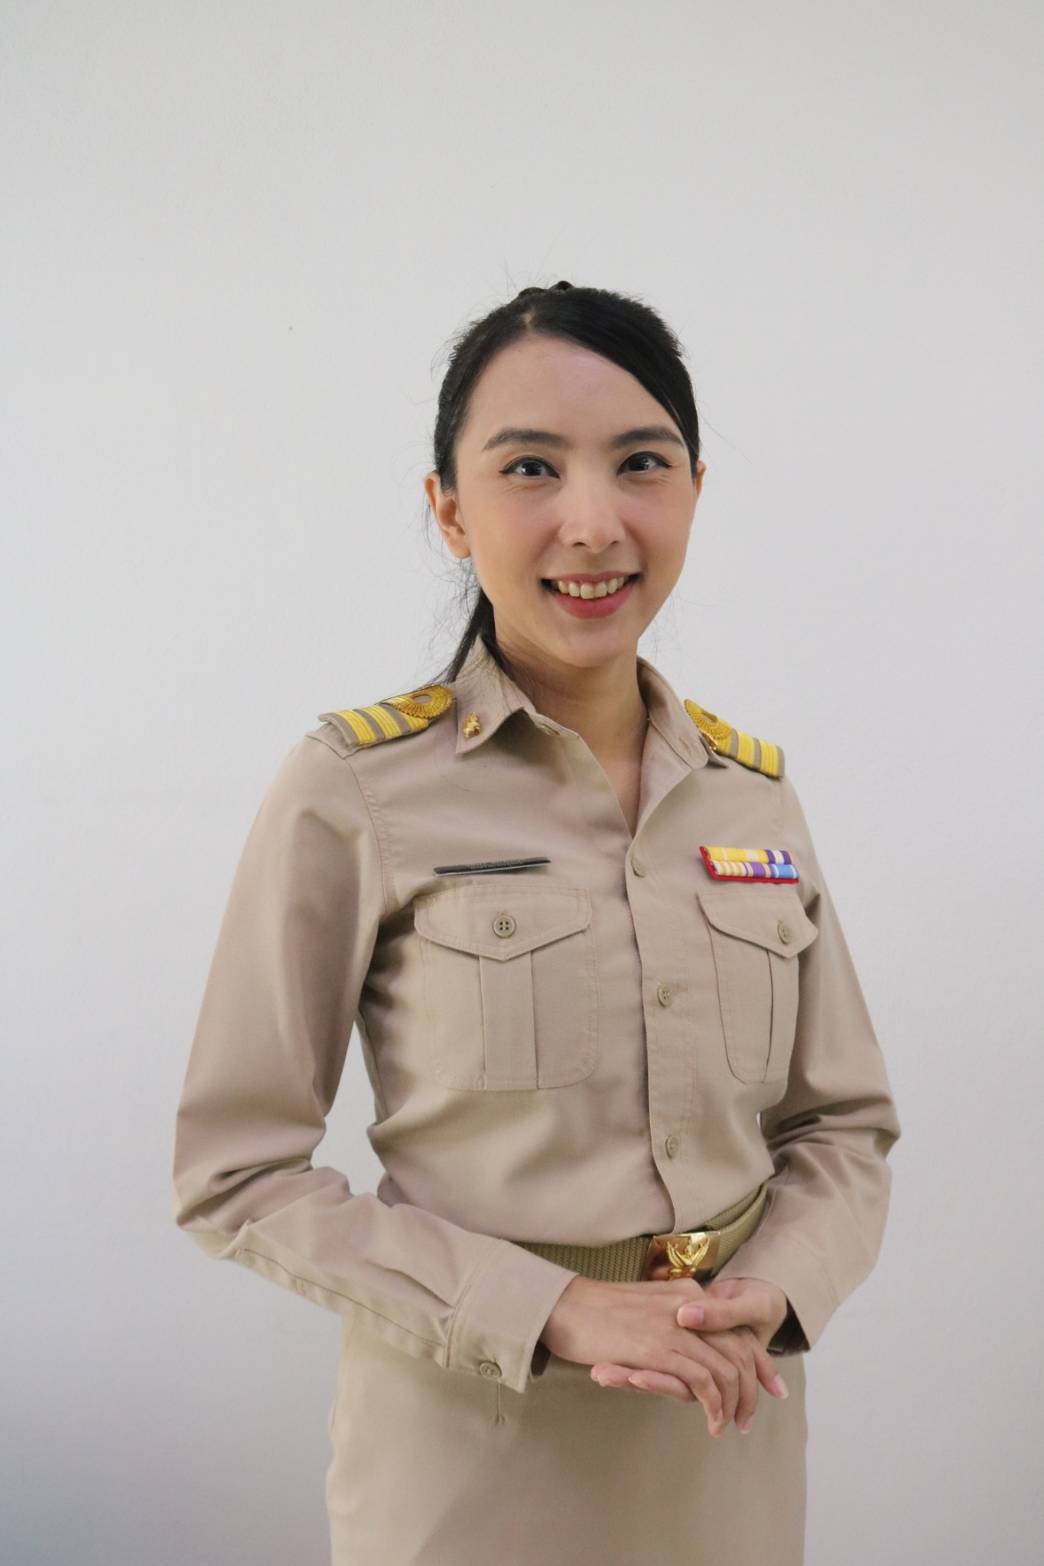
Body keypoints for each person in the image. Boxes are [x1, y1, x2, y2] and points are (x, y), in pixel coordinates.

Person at [171, 280, 902, 1565]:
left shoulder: (752, 792)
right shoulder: (355, 789)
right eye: (529, 468)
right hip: (472, 1454)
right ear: (449, 509)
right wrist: (552, 1307)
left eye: (642, 464)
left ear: (694, 491)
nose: (593, 522)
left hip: (727, 1434)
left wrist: (775, 1289)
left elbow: (843, 1125)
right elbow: (236, 1176)